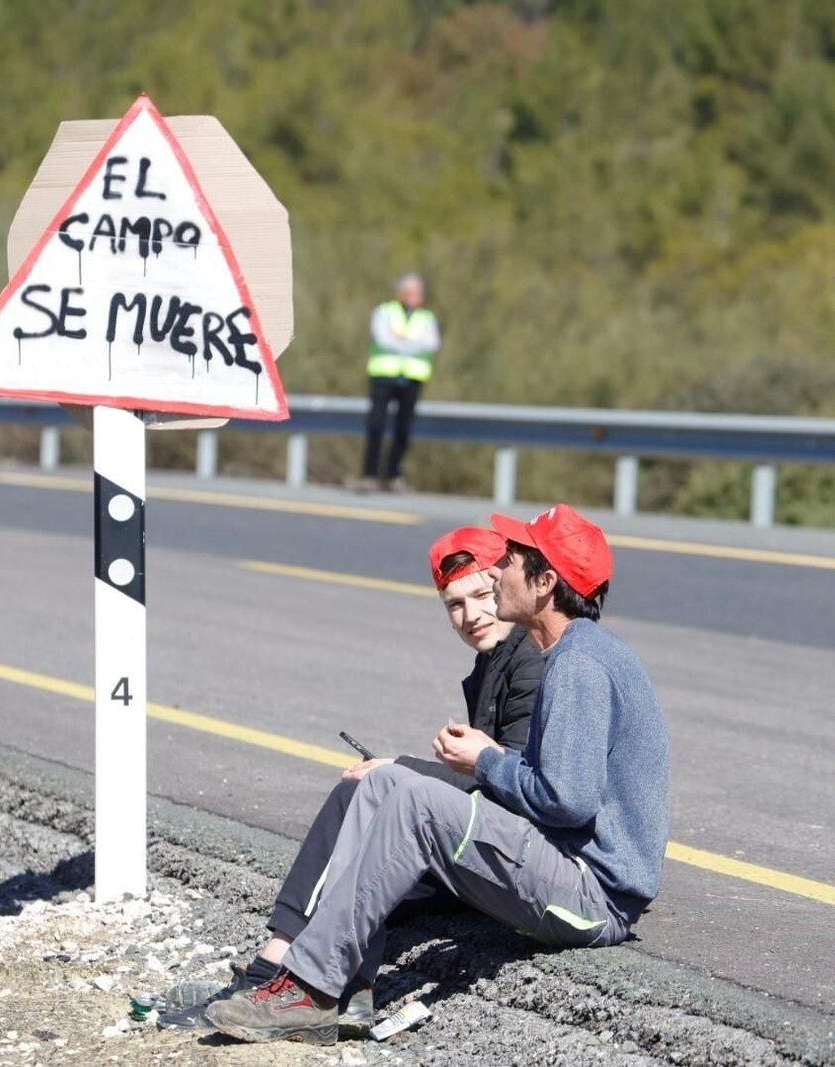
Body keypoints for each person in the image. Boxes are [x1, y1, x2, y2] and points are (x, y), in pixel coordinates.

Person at [203, 504, 671, 1046]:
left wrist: (485, 761)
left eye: (513, 559)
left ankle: (307, 989)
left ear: (545, 583)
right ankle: (348, 986)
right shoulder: (574, 653)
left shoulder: (578, 666)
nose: (498, 571)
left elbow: (568, 802)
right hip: (565, 870)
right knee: (381, 784)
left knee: (418, 801)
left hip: (593, 898)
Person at [157, 525, 544, 1030]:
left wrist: (400, 769)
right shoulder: (493, 664)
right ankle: (334, 991)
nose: (471, 615)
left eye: (481, 594)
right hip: (492, 850)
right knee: (363, 842)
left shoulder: (529, 661)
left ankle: (270, 972)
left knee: (361, 792)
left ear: (506, 583)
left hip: (521, 865)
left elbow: (513, 785)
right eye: (453, 604)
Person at [355, 273, 440, 493]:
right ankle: (370, 475)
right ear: (400, 293)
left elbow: (431, 344)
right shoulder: (384, 312)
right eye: (412, 292)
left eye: (419, 292)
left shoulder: (427, 317)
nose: (416, 296)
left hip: (412, 377)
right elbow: (383, 339)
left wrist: (400, 340)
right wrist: (413, 343)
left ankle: (393, 475)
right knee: (376, 426)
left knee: (403, 429)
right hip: (383, 375)